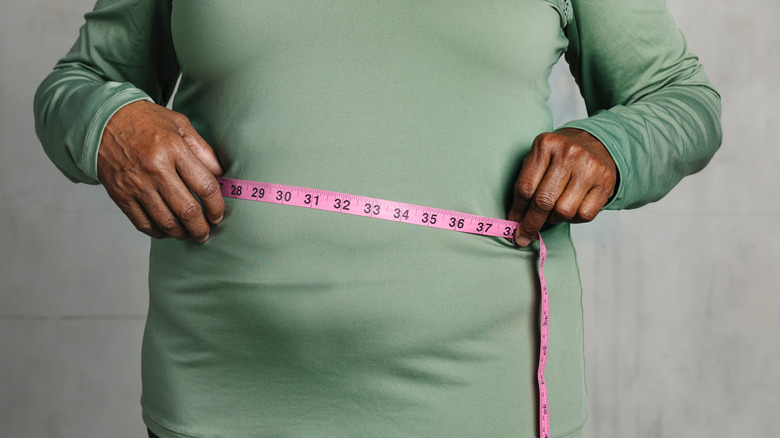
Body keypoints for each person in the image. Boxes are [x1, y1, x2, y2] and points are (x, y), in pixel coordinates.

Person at [34, 1, 721, 437]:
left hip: (485, 400)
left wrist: (612, 145)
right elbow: (77, 83)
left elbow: (680, 99)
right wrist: (111, 121)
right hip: (221, 394)